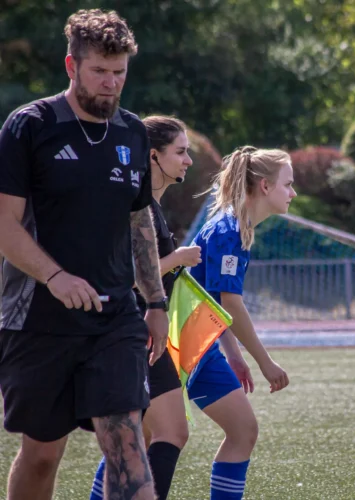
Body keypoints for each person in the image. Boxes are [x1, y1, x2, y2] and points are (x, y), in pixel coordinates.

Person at [0, 9, 169, 500]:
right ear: (72, 66)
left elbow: (139, 222)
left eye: (119, 72)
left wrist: (154, 302)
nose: (111, 83)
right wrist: (56, 277)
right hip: (37, 320)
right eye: (99, 71)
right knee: (42, 454)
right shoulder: (30, 127)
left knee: (128, 446)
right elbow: (4, 225)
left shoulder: (133, 133)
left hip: (115, 319)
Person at [90, 115, 201, 500]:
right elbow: (128, 274)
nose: (188, 160)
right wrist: (179, 258)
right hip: (129, 331)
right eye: (180, 152)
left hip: (143, 334)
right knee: (166, 433)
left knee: (144, 437)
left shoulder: (150, 205)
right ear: (153, 155)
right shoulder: (136, 204)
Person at [186, 146, 296, 499]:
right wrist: (265, 362)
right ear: (265, 186)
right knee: (142, 440)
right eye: (288, 184)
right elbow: (231, 303)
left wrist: (232, 354)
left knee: (243, 431)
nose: (293, 193)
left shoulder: (237, 227)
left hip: (199, 345)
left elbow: (215, 301)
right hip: (182, 346)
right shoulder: (229, 231)